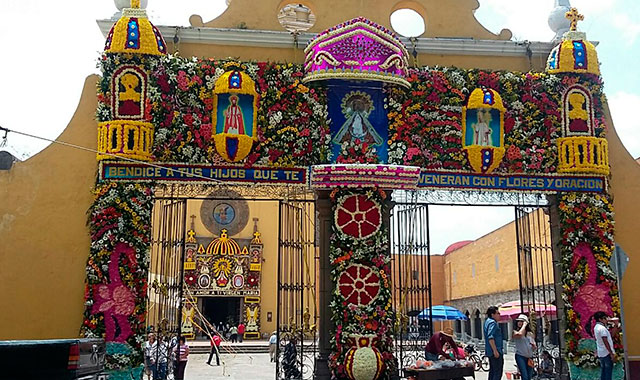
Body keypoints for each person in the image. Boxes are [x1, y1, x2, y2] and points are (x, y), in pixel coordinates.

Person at [593, 311, 616, 380]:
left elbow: (610, 336)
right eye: (604, 318)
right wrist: (611, 353)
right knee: (608, 372)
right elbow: (605, 341)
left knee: (604, 371)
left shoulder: (596, 327)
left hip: (601, 352)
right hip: (606, 353)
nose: (606, 319)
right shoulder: (602, 328)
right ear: (600, 319)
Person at [512, 314, 536, 380]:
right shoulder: (515, 332)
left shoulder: (530, 333)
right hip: (520, 356)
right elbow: (520, 334)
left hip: (529, 357)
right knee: (524, 376)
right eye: (519, 321)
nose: (519, 323)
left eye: (522, 321)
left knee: (529, 376)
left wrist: (533, 346)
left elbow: (533, 346)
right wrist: (524, 325)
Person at [484, 306, 504, 380]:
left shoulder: (487, 321)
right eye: (498, 313)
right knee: (497, 373)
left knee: (492, 371)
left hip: (490, 351)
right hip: (495, 351)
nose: (499, 315)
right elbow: (490, 337)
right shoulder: (493, 323)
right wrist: (495, 350)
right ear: (493, 314)